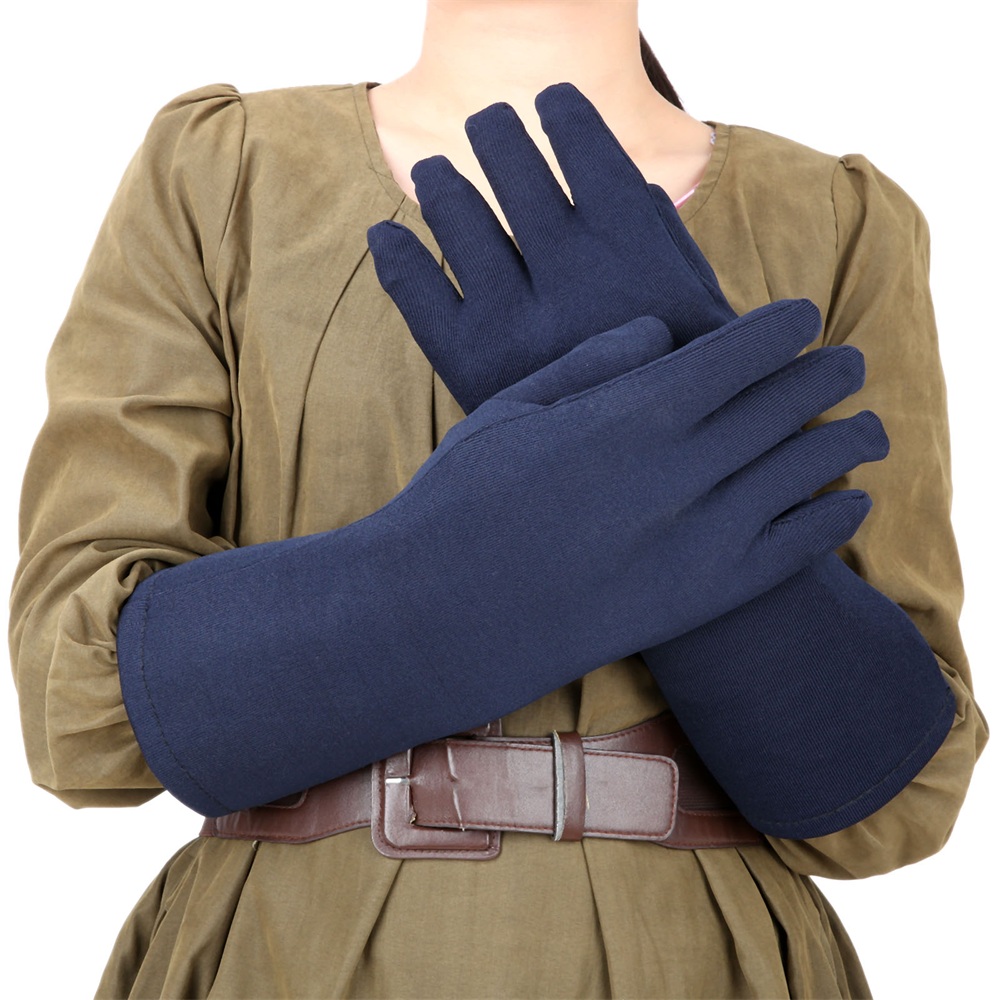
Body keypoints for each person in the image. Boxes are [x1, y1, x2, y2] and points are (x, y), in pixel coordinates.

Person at [8, 1, 987, 997]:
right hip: (286, 952)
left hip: (695, 958)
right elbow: (77, 708)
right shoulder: (223, 172)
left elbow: (895, 799)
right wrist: (490, 565)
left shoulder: (837, 218)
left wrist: (630, 492)